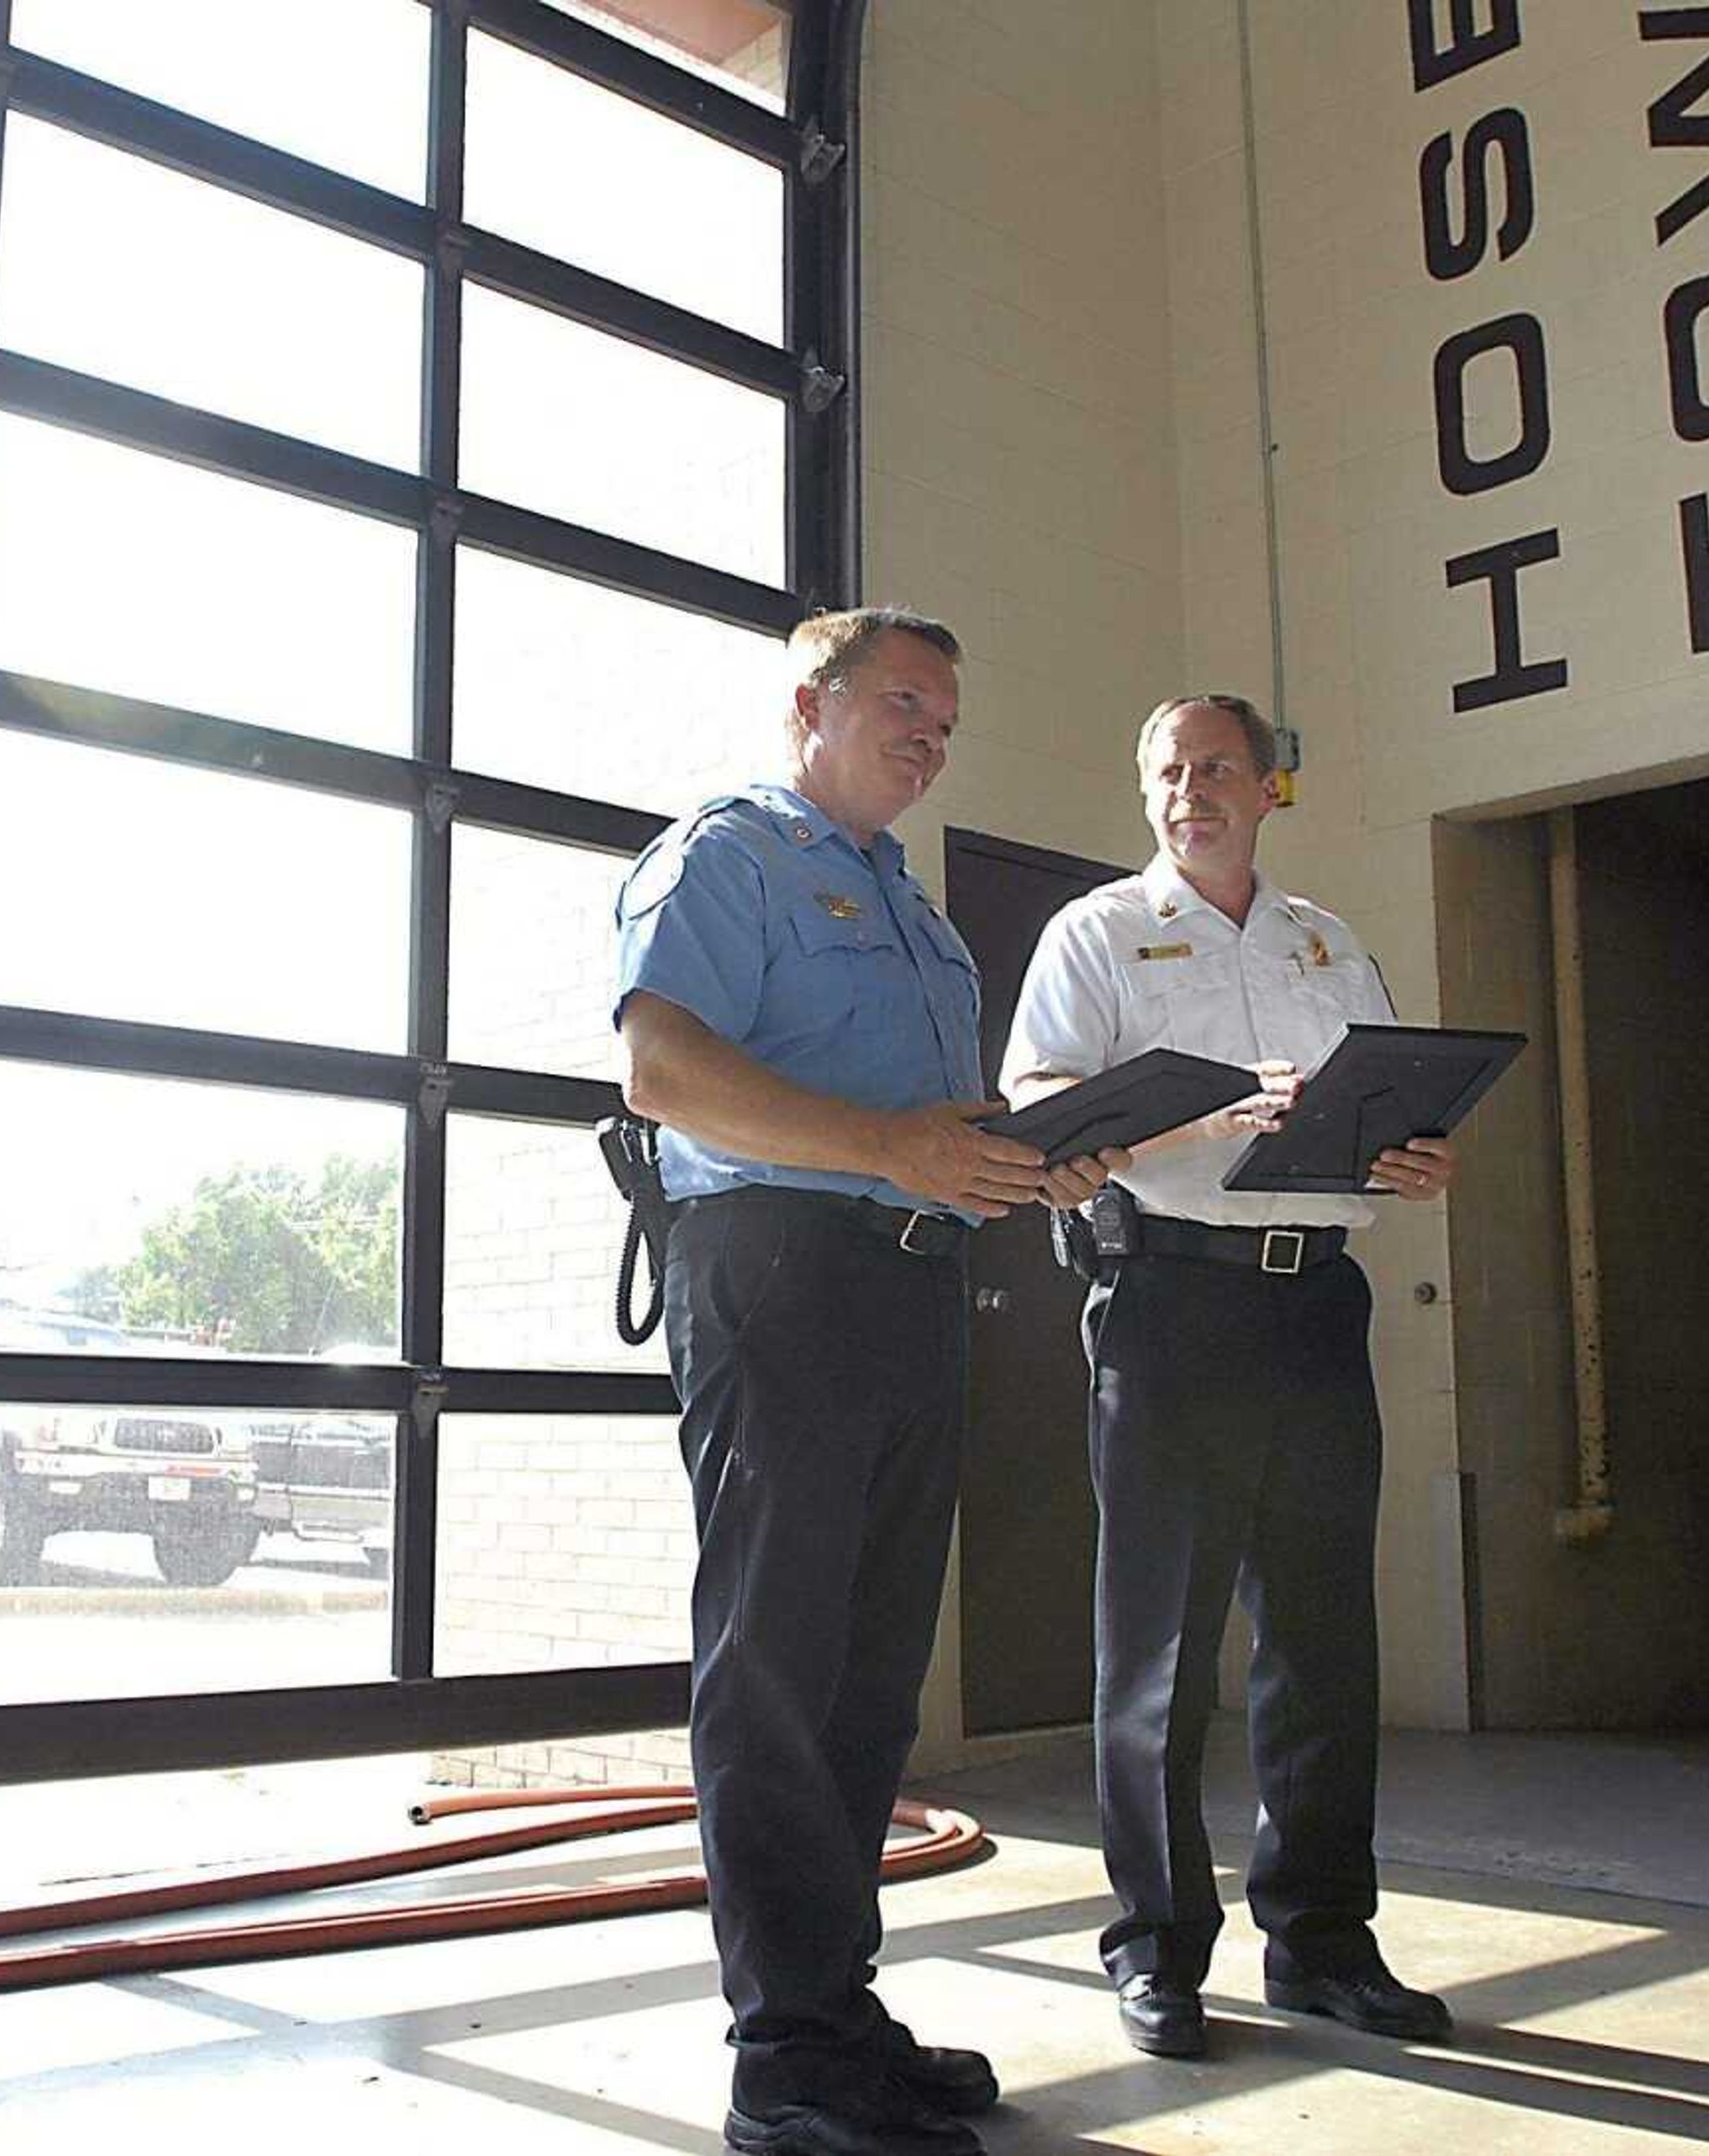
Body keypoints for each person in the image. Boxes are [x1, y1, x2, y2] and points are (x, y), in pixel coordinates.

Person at [616, 607, 1124, 2156]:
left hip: (909, 1279)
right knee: (776, 1664)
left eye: (948, 719)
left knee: (867, 1670)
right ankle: (781, 2057)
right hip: (775, 1272)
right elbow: (662, 1068)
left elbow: (928, 1120)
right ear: (810, 706)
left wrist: (1031, 1156)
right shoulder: (729, 855)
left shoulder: (921, 910)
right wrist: (891, 1148)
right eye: (906, 702)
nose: (932, 735)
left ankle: (835, 2007)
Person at [1000, 692, 1457, 2060]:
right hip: (1168, 1302)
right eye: (1165, 771)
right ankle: (1156, 1953)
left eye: (1213, 768)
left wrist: (1413, 1153)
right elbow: (1037, 1103)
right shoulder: (1096, 933)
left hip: (1314, 1302)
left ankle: (1322, 1944)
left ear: (1270, 787)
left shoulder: (1328, 939)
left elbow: (1385, 1097)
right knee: (1162, 1649)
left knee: (1322, 1642)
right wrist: (1203, 1111)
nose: (1186, 789)